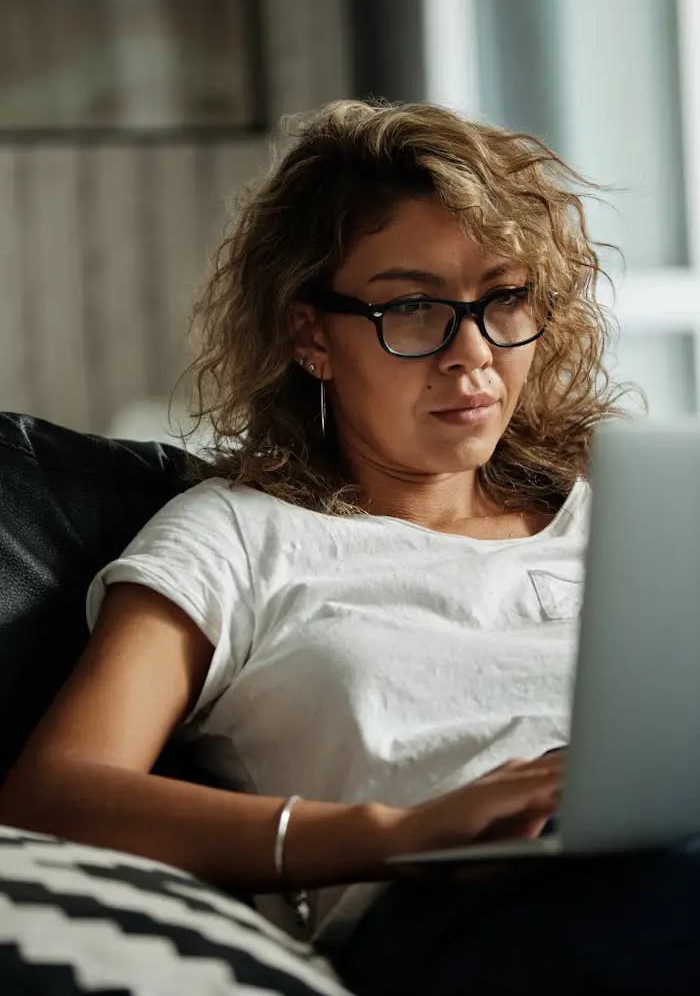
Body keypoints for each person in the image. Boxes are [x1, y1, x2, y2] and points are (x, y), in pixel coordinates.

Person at [1, 100, 698, 995]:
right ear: (310, 335)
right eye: (413, 307)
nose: (472, 353)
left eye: (505, 297)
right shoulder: (237, 534)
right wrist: (395, 832)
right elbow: (52, 795)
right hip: (471, 915)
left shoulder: (627, 517)